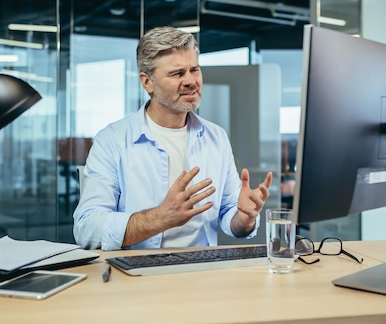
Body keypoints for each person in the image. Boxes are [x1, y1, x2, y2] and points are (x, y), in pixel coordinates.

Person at [73, 26, 273, 250]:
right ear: (147, 82)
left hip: (202, 271)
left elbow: (231, 217)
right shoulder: (111, 141)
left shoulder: (216, 137)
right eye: (177, 73)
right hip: (136, 275)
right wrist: (160, 217)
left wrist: (245, 218)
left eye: (194, 70)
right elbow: (87, 228)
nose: (190, 81)